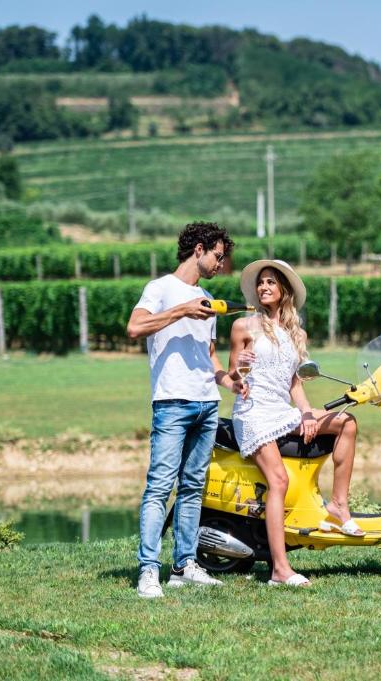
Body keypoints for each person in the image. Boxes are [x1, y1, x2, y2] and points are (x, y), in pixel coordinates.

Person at [127, 222, 248, 599]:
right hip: (172, 402)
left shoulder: (208, 298)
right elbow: (134, 328)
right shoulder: (160, 289)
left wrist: (230, 381)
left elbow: (209, 359)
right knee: (159, 488)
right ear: (199, 249)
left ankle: (183, 566)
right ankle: (149, 570)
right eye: (217, 256)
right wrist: (181, 310)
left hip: (206, 404)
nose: (220, 264)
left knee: (193, 488)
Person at [229, 259, 361, 587]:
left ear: (283, 289)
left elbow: (295, 384)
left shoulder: (294, 332)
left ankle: (338, 505)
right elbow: (233, 375)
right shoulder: (243, 327)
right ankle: (279, 570)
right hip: (253, 412)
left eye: (271, 282)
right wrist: (239, 365)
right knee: (279, 482)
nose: (264, 287)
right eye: (261, 283)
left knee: (347, 423)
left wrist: (305, 413)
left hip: (282, 410)